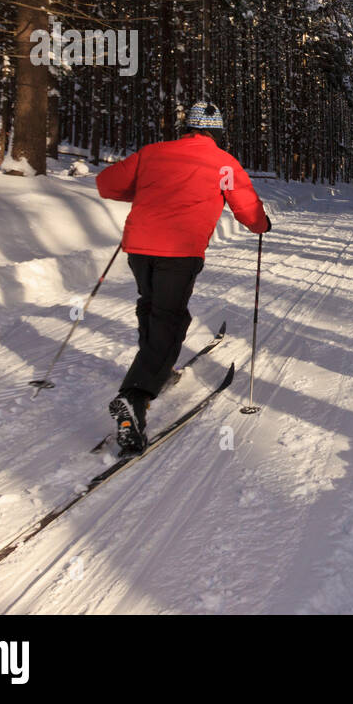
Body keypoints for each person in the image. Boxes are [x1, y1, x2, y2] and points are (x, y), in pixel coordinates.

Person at [95, 101, 270, 452]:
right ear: (218, 132)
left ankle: (157, 369)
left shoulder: (153, 153)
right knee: (170, 319)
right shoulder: (223, 163)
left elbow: (107, 185)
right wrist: (260, 225)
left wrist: (147, 189)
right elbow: (246, 207)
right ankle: (136, 393)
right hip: (179, 251)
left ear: (185, 128)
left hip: (140, 248)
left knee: (151, 308)